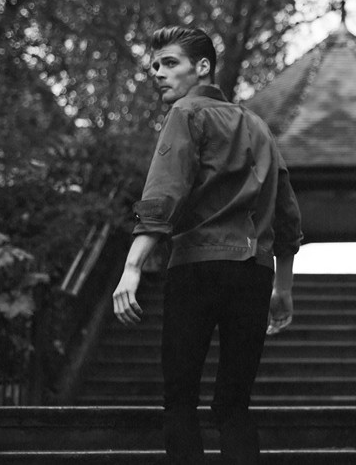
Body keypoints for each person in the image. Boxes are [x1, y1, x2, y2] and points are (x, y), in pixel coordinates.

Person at [111, 25, 302, 464]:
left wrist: (134, 266)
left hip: (197, 267)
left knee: (180, 399)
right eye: (155, 65)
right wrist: (284, 287)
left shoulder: (185, 114)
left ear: (201, 68)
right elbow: (288, 214)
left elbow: (163, 192)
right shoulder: (260, 128)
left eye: (169, 63)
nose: (158, 72)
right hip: (253, 274)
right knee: (235, 406)